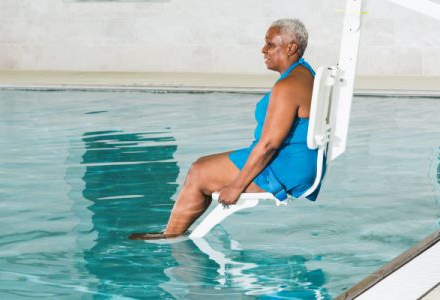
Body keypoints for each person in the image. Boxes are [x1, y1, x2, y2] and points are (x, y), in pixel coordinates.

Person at [130, 19, 318, 240]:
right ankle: (172, 234)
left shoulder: (288, 86)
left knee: (199, 172)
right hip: (294, 162)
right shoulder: (305, 73)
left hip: (284, 168)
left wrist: (236, 186)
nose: (263, 49)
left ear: (291, 48)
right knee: (202, 166)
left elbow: (269, 145)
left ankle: (169, 239)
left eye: (269, 44)